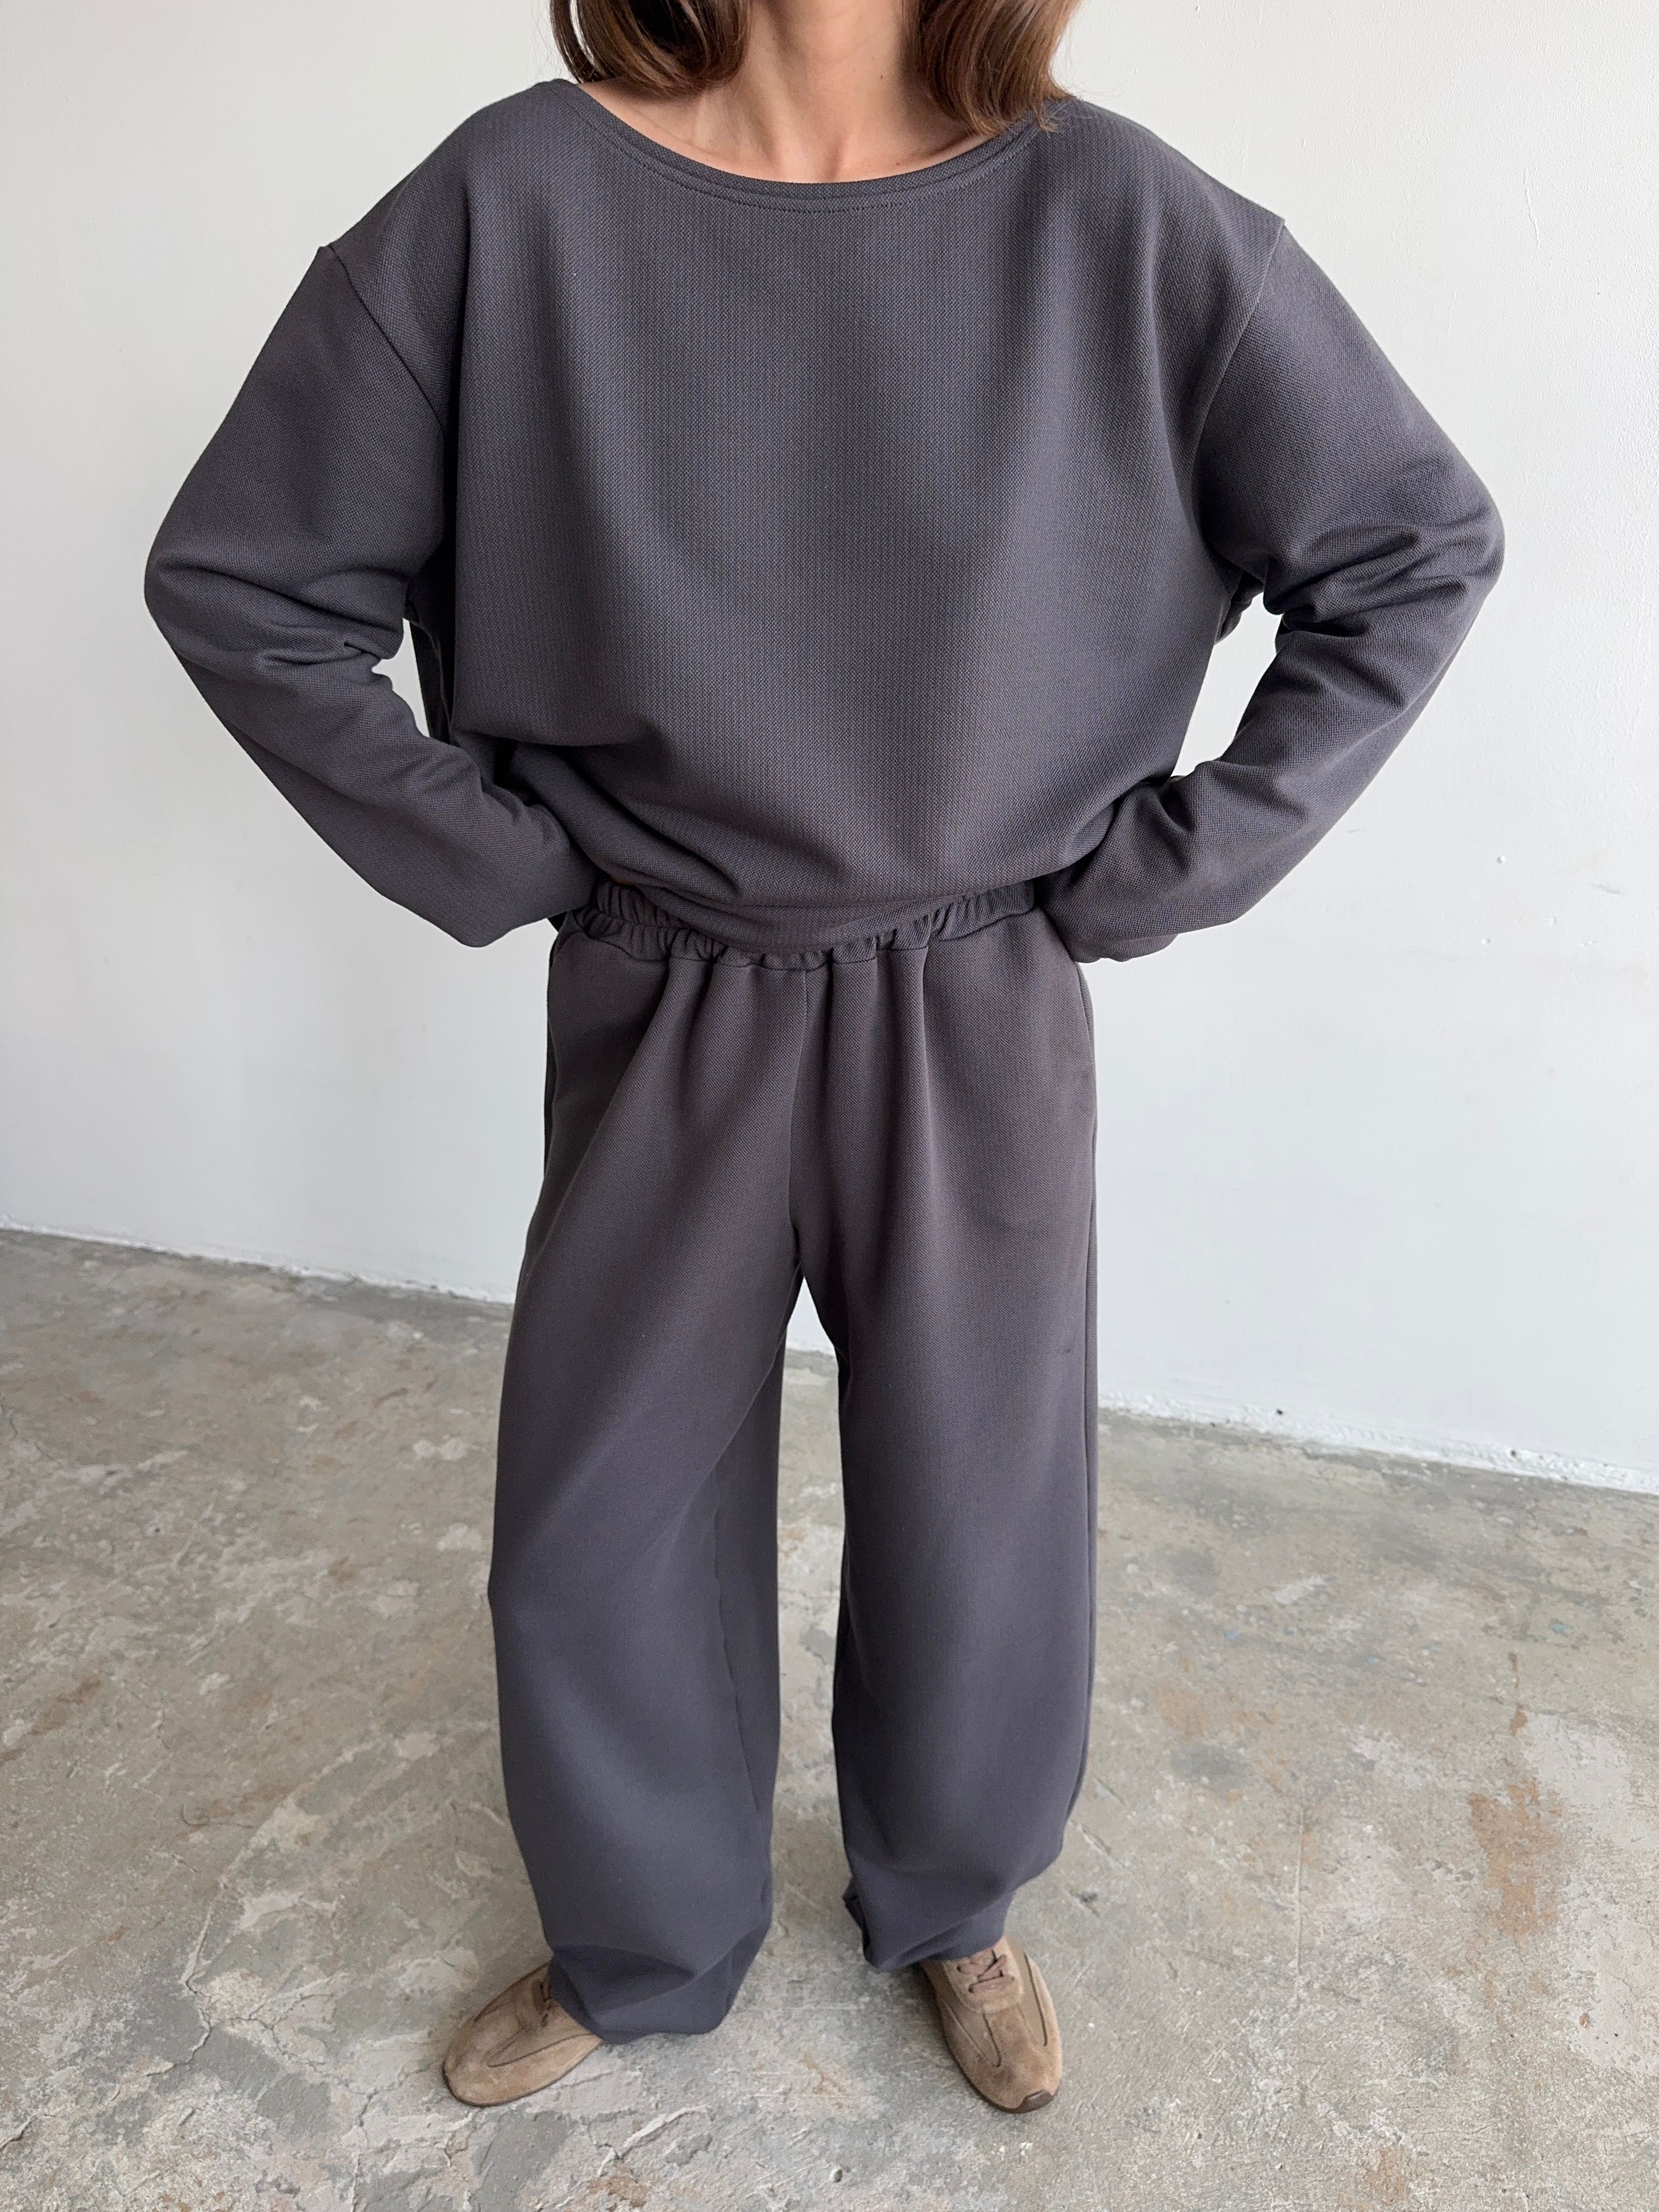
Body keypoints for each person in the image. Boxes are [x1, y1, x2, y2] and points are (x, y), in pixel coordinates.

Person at [144, 0, 1503, 2119]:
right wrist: (505, 863)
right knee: (601, 1510)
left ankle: (956, 1900)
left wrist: (1173, 866)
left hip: (973, 986)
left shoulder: (1125, 220)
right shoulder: (511, 202)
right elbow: (247, 578)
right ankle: (641, 1936)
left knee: (981, 1494)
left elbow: (1410, 542)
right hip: (664, 972)